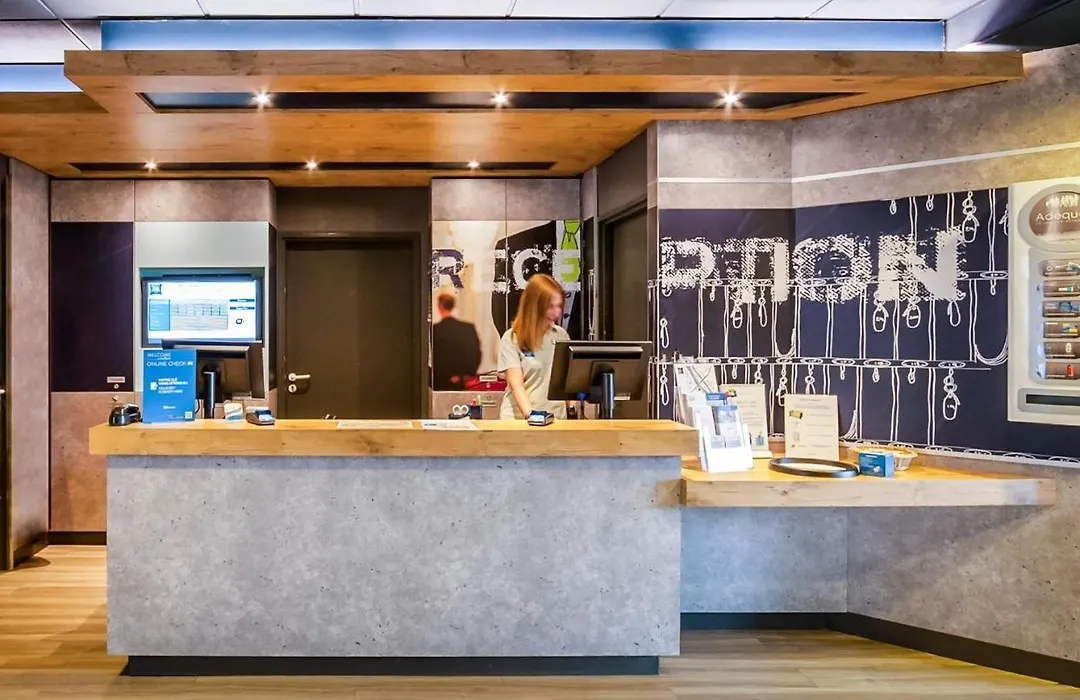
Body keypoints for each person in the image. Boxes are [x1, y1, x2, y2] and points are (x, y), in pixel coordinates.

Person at [498, 273, 571, 420]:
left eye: (559, 306)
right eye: (551, 306)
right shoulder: (512, 338)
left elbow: (568, 381)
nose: (557, 312)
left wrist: (572, 410)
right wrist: (533, 416)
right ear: (535, 307)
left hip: (557, 420)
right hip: (520, 421)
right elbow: (516, 385)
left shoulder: (561, 335)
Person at [431, 292, 482, 391]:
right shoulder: (468, 328)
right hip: (465, 382)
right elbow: (475, 353)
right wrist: (465, 375)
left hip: (441, 383)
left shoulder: (435, 330)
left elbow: (435, 358)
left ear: (439, 306)